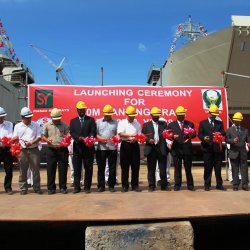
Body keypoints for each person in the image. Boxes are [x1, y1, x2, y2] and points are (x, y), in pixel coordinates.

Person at [12, 107, 42, 195]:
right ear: (22, 117)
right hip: (22, 150)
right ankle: (23, 188)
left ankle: (36, 187)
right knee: (22, 169)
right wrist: (15, 139)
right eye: (27, 117)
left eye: (30, 117)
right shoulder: (17, 126)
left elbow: (39, 137)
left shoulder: (36, 125)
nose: (29, 119)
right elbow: (14, 138)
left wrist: (31, 142)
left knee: (35, 169)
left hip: (34, 150)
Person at [70, 101, 97, 193]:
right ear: (77, 110)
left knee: (88, 168)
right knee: (77, 168)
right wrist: (78, 138)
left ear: (85, 110)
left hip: (88, 148)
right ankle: (77, 187)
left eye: (83, 109)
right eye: (80, 109)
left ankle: (87, 187)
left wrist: (87, 139)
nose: (82, 111)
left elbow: (93, 132)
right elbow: (72, 132)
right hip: (77, 148)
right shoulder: (73, 121)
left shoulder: (91, 120)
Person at [198, 104, 226, 191]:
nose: (214, 116)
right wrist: (204, 138)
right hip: (207, 149)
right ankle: (207, 184)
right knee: (207, 167)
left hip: (217, 149)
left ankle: (219, 184)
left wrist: (220, 135)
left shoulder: (219, 123)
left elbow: (223, 132)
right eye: (212, 114)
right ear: (209, 113)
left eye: (215, 115)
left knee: (218, 168)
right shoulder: (203, 123)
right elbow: (200, 134)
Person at [168, 106, 196, 191]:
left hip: (187, 149)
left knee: (188, 168)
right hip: (176, 149)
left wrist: (192, 135)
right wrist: (172, 136)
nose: (181, 116)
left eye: (182, 115)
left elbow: (194, 134)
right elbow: (167, 135)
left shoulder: (189, 123)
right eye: (179, 115)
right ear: (176, 114)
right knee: (177, 168)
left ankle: (190, 185)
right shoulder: (171, 125)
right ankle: (177, 185)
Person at [142, 107, 170, 191]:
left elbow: (167, 134)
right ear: (151, 115)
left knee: (162, 169)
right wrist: (148, 140)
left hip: (161, 148)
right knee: (151, 169)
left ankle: (164, 186)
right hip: (151, 149)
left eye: (157, 115)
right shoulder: (146, 125)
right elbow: (143, 136)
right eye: (154, 116)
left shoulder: (164, 124)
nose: (156, 117)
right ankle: (151, 186)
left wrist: (169, 142)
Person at [42, 108, 70, 194]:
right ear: (51, 118)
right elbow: (43, 136)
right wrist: (47, 140)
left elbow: (68, 136)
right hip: (51, 149)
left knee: (63, 169)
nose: (57, 121)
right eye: (55, 119)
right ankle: (51, 188)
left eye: (58, 119)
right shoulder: (47, 125)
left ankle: (63, 187)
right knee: (50, 170)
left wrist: (66, 139)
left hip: (62, 150)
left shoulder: (64, 125)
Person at [117, 105, 141, 192]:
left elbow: (139, 135)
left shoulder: (137, 123)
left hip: (134, 146)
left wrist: (136, 138)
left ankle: (135, 185)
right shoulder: (122, 122)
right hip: (125, 145)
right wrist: (131, 135)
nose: (132, 117)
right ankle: (125, 185)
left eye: (133, 115)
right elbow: (121, 133)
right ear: (126, 114)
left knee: (135, 166)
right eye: (130, 115)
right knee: (125, 166)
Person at [96, 104, 118, 192]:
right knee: (101, 167)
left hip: (112, 148)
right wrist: (100, 139)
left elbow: (118, 134)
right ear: (104, 113)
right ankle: (101, 186)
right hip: (101, 148)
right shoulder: (98, 122)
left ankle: (111, 185)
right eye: (106, 114)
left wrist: (115, 138)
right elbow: (95, 134)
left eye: (109, 114)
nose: (108, 116)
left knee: (112, 168)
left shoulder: (116, 122)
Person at [226, 112, 249, 191]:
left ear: (241, 121)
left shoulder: (245, 130)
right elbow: (226, 140)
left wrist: (249, 142)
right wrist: (232, 140)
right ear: (233, 120)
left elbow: (248, 139)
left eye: (238, 121)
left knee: (244, 169)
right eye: (236, 120)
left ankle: (245, 185)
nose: (237, 122)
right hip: (234, 152)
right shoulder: (229, 130)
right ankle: (235, 185)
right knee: (234, 169)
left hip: (242, 153)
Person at [0, 107, 14, 195]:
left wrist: (7, 140)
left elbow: (10, 135)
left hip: (7, 149)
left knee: (9, 170)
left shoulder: (9, 124)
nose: (2, 118)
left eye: (3, 116)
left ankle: (8, 187)